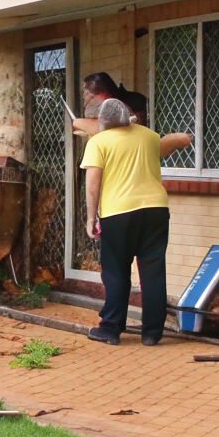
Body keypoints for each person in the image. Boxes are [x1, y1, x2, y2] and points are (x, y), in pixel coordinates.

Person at [80, 98, 170, 346]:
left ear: (103, 121)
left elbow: (92, 184)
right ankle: (152, 333)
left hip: (119, 213)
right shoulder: (151, 136)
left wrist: (91, 218)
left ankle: (110, 329)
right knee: (153, 271)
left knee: (116, 271)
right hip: (156, 210)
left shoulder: (98, 142)